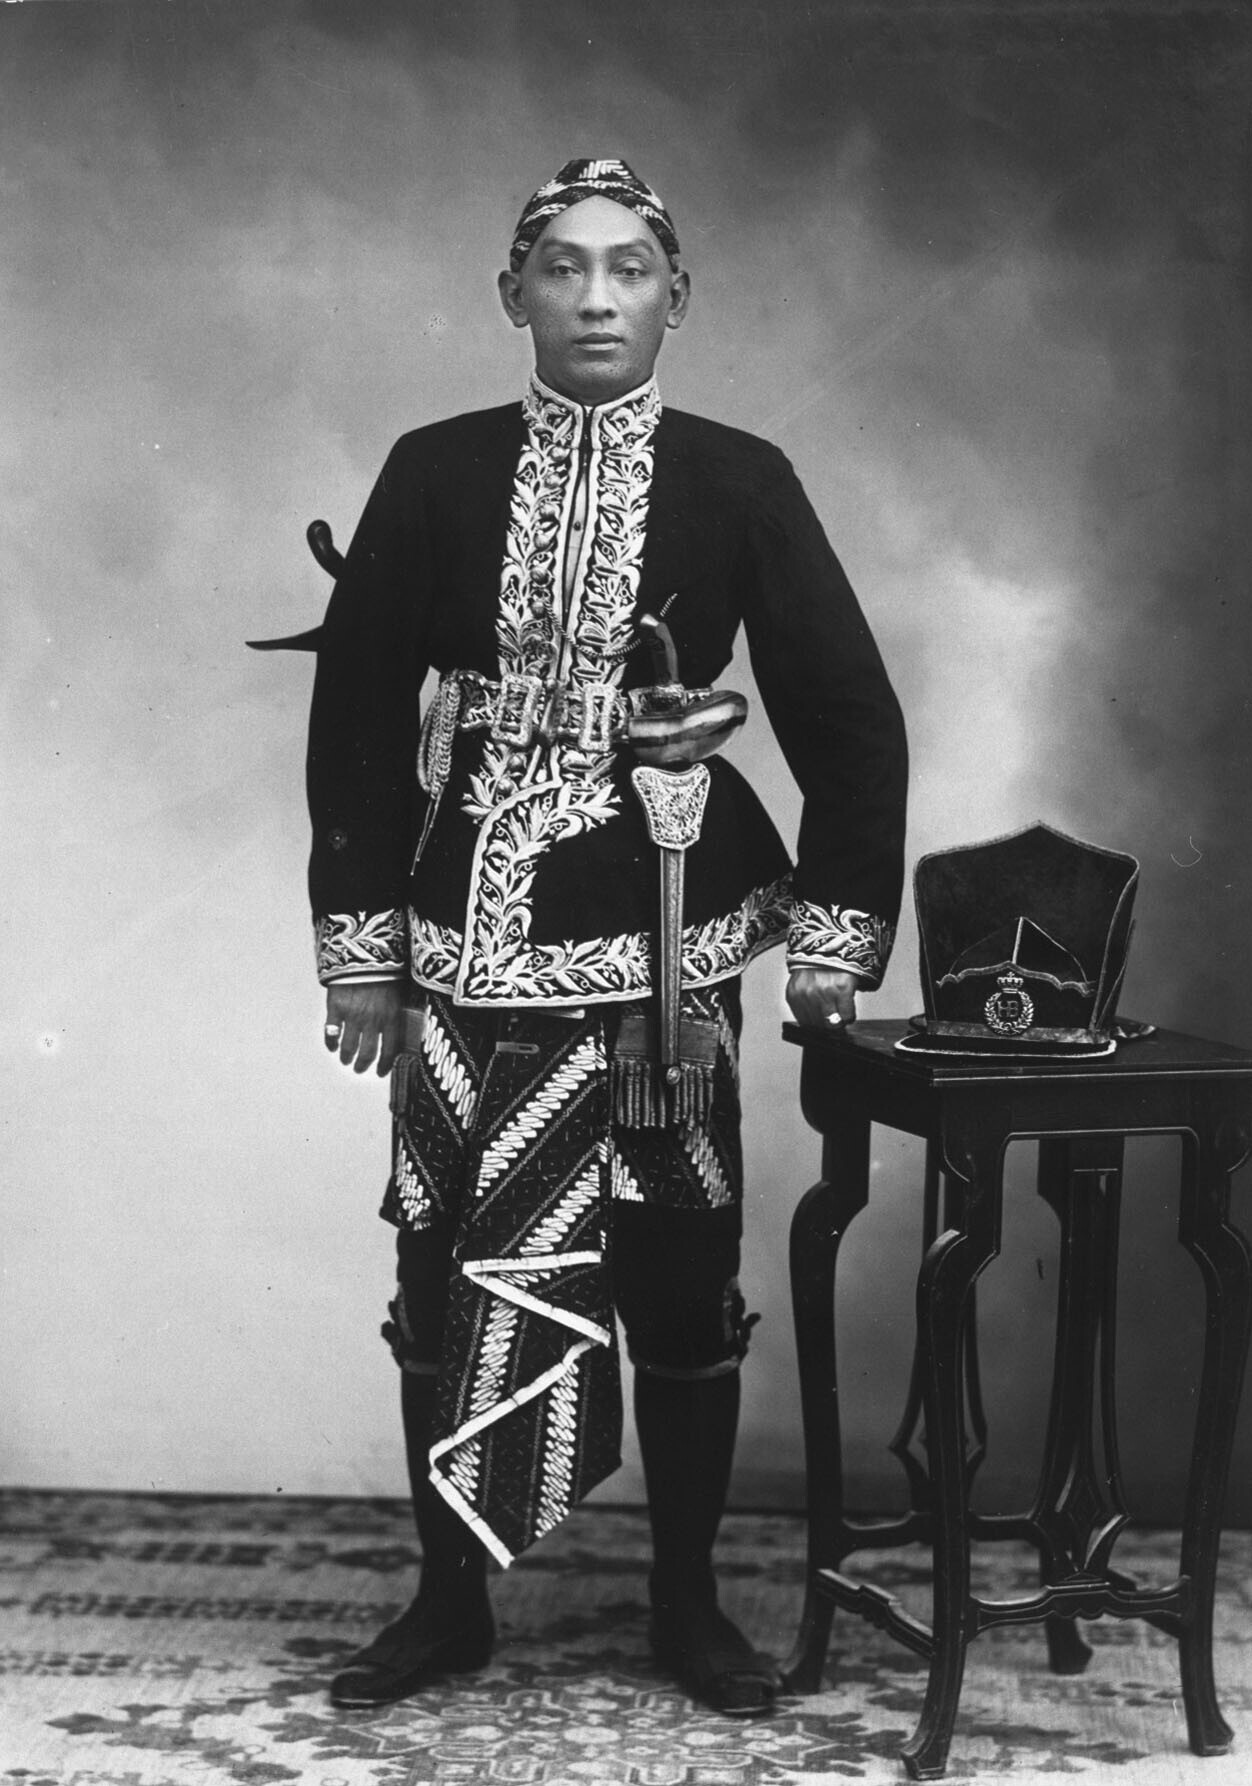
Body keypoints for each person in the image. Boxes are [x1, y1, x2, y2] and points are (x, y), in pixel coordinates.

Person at [304, 158, 907, 1718]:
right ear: (512, 292)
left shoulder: (740, 479)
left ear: (675, 297)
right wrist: (358, 943)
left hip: (660, 949)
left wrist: (836, 934)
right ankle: (449, 1600)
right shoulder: (432, 471)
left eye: (628, 268)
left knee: (681, 1271)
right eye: (562, 267)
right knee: (439, 1265)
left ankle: (687, 1602)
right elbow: (354, 712)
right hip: (458, 937)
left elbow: (850, 715)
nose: (593, 298)